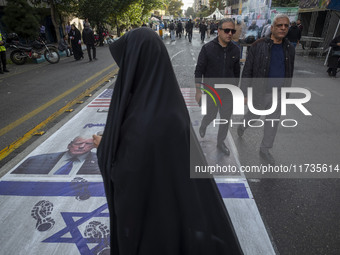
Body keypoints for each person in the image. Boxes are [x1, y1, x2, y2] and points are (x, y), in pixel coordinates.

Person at [92, 27, 243, 255]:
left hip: (153, 222)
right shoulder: (167, 100)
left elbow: (128, 173)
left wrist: (105, 147)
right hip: (174, 210)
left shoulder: (144, 114)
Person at [238, 14, 295, 165]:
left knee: (272, 122)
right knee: (254, 116)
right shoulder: (258, 45)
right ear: (272, 27)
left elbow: (290, 71)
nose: (283, 28)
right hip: (259, 91)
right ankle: (243, 125)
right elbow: (247, 70)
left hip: (278, 94)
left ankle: (265, 149)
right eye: (279, 25)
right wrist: (244, 93)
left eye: (286, 26)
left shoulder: (290, 48)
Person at [195, 18, 240, 156]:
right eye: (227, 30)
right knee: (211, 115)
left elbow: (237, 72)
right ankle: (203, 125)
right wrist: (198, 91)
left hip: (228, 93)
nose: (230, 33)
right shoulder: (207, 48)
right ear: (219, 31)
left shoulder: (236, 50)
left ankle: (221, 143)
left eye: (232, 31)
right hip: (211, 91)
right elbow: (199, 71)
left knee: (225, 119)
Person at [12, 136, 99, 175]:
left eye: (88, 144)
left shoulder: (101, 163)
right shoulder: (35, 160)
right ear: (69, 145)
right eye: (78, 143)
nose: (81, 146)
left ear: (92, 147)